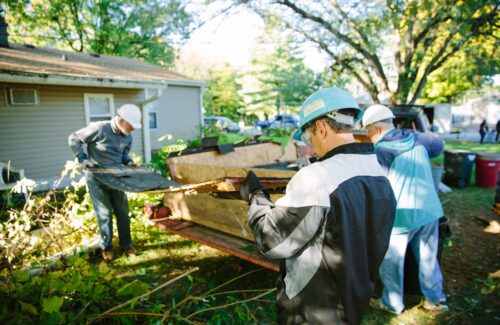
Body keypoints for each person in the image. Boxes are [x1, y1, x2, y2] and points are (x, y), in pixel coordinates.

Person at [240, 87, 396, 324]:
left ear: (322, 127)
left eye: (307, 137)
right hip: (355, 300)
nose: (310, 147)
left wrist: (257, 196)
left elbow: (272, 240)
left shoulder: (317, 178)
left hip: (312, 310)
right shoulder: (379, 172)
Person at [362, 104, 448, 314]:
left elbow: (378, 191)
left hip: (401, 216)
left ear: (376, 128)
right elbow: (439, 145)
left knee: (391, 262)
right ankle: (435, 300)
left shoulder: (381, 151)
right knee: (428, 259)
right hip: (429, 210)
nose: (368, 136)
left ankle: (392, 303)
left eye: (367, 131)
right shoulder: (417, 139)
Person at [68, 104, 142, 261]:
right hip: (97, 179)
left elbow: (123, 156)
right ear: (122, 120)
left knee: (123, 213)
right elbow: (74, 138)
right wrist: (82, 158)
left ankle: (126, 245)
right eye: (131, 125)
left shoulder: (127, 136)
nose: (133, 129)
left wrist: (129, 162)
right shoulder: (99, 128)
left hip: (116, 179)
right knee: (104, 214)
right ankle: (106, 247)